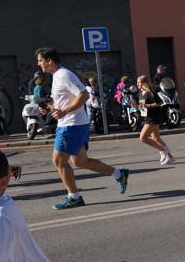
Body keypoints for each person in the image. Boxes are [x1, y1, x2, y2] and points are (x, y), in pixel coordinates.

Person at [35, 47, 129, 210]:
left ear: (49, 61)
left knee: (59, 161)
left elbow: (84, 95)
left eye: (40, 60)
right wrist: (50, 107)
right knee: (80, 161)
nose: (39, 64)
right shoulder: (58, 76)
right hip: (74, 123)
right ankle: (119, 174)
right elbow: (67, 99)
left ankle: (74, 197)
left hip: (71, 124)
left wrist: (64, 111)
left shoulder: (64, 75)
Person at [133, 75, 175, 164]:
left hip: (153, 118)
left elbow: (160, 103)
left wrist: (149, 105)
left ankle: (163, 151)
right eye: (137, 82)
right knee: (156, 138)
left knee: (143, 138)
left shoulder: (150, 93)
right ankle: (170, 157)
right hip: (147, 117)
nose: (137, 84)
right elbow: (142, 107)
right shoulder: (141, 93)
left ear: (144, 83)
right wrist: (136, 106)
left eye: (139, 82)